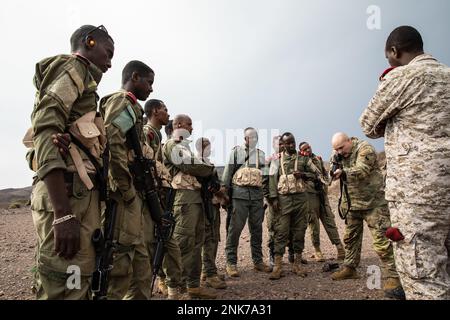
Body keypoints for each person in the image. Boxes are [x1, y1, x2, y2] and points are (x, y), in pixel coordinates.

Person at [360, 25, 450, 300]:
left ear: (394, 51)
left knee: (426, 280)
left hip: (420, 195)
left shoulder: (402, 77)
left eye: (388, 55)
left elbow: (368, 124)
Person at [27, 24, 114, 299]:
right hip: (66, 194)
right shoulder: (73, 67)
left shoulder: (84, 81)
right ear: (89, 42)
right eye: (107, 51)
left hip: (77, 192)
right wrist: (63, 213)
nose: (110, 62)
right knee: (67, 285)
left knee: (77, 281)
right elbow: (46, 128)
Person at [99, 60, 154, 299]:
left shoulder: (132, 108)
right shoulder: (124, 102)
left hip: (132, 196)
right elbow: (112, 140)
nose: (151, 89)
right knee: (120, 266)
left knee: (141, 265)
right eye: (149, 82)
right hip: (123, 196)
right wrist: (125, 188)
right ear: (135, 77)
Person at [329, 133, 404, 299]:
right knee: (350, 238)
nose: (340, 152)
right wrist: (332, 170)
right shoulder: (338, 155)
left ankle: (393, 277)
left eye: (342, 147)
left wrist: (343, 172)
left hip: (373, 204)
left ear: (349, 141)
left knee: (382, 242)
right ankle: (350, 268)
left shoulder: (365, 149)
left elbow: (362, 170)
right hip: (352, 205)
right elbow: (333, 172)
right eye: (336, 149)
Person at [163, 114, 217, 299]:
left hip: (194, 198)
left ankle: (193, 286)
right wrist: (209, 170)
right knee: (183, 243)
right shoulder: (172, 144)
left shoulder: (184, 147)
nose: (192, 128)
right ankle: (175, 289)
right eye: (189, 124)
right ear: (178, 125)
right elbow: (188, 165)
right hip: (183, 199)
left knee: (196, 243)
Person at [143, 99, 183, 299]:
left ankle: (170, 286)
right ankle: (170, 286)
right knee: (164, 242)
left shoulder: (156, 136)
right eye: (165, 110)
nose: (168, 113)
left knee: (164, 241)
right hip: (151, 199)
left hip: (159, 198)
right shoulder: (147, 134)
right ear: (155, 111)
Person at [222, 127, 271, 277]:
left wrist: (267, 196)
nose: (254, 140)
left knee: (257, 229)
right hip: (239, 196)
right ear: (245, 139)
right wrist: (224, 195)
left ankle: (258, 262)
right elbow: (227, 174)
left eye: (256, 137)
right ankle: (231, 263)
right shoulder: (236, 153)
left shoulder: (261, 155)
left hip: (256, 197)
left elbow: (266, 177)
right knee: (235, 229)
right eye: (251, 137)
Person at [267, 133, 313, 279]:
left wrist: (303, 175)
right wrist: (273, 199)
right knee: (281, 233)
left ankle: (297, 264)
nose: (292, 145)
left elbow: (314, 174)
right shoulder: (276, 161)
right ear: (283, 145)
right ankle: (278, 266)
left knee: (299, 232)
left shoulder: (303, 158)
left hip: (300, 200)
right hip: (283, 201)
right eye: (288, 143)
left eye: (293, 142)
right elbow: (271, 180)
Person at [298, 142, 345, 261]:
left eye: (308, 147)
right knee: (313, 223)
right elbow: (300, 175)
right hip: (309, 195)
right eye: (304, 149)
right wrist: (310, 176)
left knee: (329, 220)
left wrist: (329, 177)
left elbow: (324, 174)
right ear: (301, 151)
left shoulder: (317, 159)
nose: (307, 149)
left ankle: (339, 248)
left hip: (322, 194)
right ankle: (317, 250)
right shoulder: (300, 161)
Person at [196, 137, 228, 290]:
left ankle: (207, 271)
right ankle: (209, 274)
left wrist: (220, 190)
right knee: (208, 239)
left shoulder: (209, 165)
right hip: (204, 205)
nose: (208, 149)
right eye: (204, 146)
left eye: (208, 146)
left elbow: (216, 183)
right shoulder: (197, 164)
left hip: (213, 204)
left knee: (214, 238)